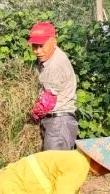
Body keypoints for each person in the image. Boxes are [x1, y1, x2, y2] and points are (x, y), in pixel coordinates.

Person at [27, 22, 78, 151]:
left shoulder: (55, 65)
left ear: (54, 42)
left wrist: (29, 115)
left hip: (59, 124)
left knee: (54, 167)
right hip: (54, 122)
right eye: (35, 46)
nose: (37, 51)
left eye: (41, 46)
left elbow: (47, 102)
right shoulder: (48, 59)